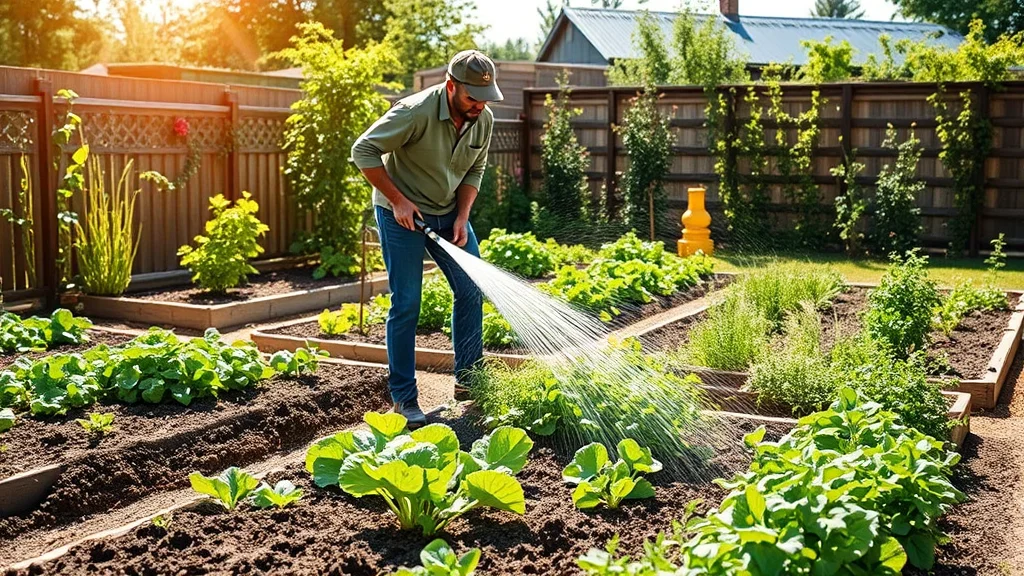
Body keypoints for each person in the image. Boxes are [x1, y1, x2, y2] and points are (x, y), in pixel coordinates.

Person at [351, 50, 503, 429]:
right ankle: (404, 397)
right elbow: (363, 150)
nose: (479, 105)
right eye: (471, 97)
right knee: (407, 302)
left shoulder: (482, 119)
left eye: (485, 98)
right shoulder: (415, 111)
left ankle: (469, 381)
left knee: (470, 289)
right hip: (400, 213)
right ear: (451, 86)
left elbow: (476, 168)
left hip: (450, 211)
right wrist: (398, 201)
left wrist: (463, 217)